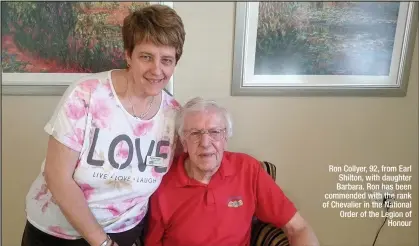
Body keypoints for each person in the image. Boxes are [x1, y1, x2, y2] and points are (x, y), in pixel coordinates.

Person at [21, 4, 185, 246]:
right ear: (128, 55)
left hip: (126, 232)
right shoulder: (86, 95)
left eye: (167, 60)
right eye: (146, 57)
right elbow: (57, 177)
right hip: (58, 233)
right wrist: (102, 242)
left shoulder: (173, 114)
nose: (157, 70)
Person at [145, 97, 320, 246]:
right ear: (183, 141)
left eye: (214, 132)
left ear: (225, 139)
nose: (205, 143)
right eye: (195, 133)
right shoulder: (162, 181)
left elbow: (298, 228)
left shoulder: (248, 169)